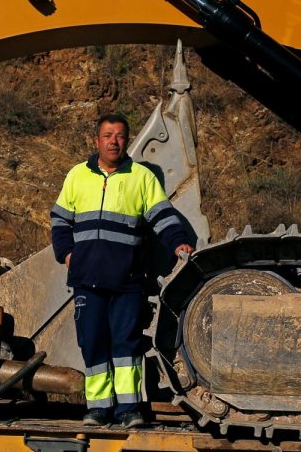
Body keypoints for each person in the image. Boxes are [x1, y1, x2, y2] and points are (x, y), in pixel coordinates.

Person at [50, 113, 194, 428]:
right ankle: (98, 409)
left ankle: (129, 410)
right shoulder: (77, 175)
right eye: (107, 135)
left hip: (129, 281)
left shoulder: (141, 177)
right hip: (87, 280)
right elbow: (60, 219)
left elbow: (163, 216)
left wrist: (179, 243)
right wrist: (67, 254)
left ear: (126, 141)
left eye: (119, 136)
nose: (113, 141)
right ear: (96, 140)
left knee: (126, 345)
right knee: (93, 343)